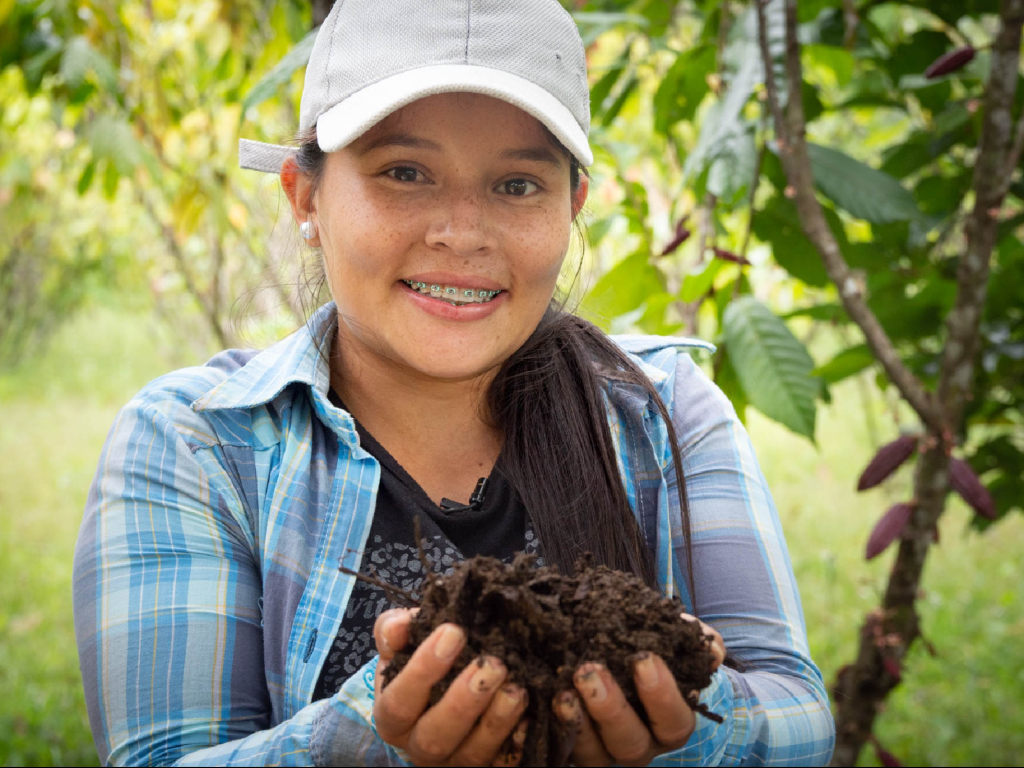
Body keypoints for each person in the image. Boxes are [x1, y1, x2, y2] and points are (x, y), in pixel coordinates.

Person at [72, 0, 836, 765]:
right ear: (306, 198)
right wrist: (368, 739)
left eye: (517, 185)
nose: (461, 231)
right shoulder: (198, 443)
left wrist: (697, 722)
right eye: (405, 172)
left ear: (571, 209)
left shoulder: (663, 411)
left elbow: (797, 716)